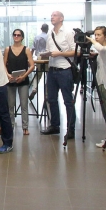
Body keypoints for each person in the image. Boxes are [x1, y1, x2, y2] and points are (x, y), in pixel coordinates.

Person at [41, 11, 78, 139]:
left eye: (55, 15)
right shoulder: (50, 34)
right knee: (51, 99)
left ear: (62, 18)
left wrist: (60, 53)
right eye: (51, 15)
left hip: (65, 70)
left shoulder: (68, 33)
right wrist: (46, 54)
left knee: (68, 101)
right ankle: (55, 125)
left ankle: (71, 129)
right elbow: (49, 50)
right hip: (52, 70)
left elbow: (75, 52)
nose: (52, 17)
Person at [88, 26, 106, 149]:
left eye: (99, 35)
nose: (96, 37)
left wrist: (90, 40)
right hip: (102, 83)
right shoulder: (103, 51)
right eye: (95, 35)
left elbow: (101, 48)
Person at [4, 29, 35, 135]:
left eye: (19, 35)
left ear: (22, 37)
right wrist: (8, 75)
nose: (16, 36)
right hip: (11, 79)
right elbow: (4, 64)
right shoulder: (8, 49)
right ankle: (10, 125)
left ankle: (25, 127)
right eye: (15, 35)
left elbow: (32, 65)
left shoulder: (26, 50)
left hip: (23, 80)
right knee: (10, 105)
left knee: (24, 104)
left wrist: (24, 76)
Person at [28, 23, 50, 102]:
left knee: (38, 75)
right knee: (49, 75)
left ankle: (34, 89)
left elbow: (33, 49)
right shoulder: (49, 37)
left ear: (41, 29)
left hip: (39, 57)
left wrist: (30, 59)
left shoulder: (36, 37)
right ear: (47, 29)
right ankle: (47, 94)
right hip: (48, 57)